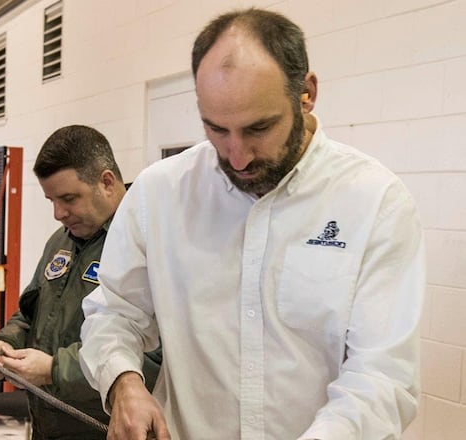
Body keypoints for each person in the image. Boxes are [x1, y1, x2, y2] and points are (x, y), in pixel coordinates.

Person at [79, 8, 425, 440]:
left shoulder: (374, 202)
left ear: (307, 93)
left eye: (258, 128)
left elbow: (382, 377)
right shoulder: (158, 194)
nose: (237, 156)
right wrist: (123, 382)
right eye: (216, 129)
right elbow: (113, 313)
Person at [0, 125, 161, 440]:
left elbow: (157, 357)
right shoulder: (60, 242)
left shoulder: (150, 241)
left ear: (106, 182)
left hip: (105, 428)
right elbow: (30, 313)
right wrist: (6, 343)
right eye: (51, 200)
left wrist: (54, 368)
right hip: (48, 424)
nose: (57, 213)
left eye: (68, 199)